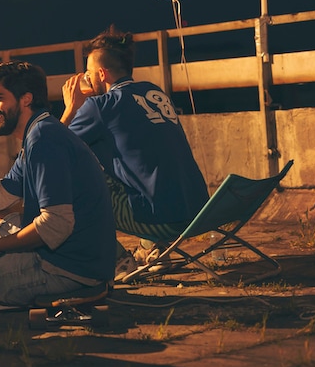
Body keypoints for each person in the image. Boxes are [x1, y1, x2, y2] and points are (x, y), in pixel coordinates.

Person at [0, 62, 115, 305]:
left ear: (26, 99)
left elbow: (56, 225)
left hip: (66, 271)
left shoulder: (43, 139)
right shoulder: (38, 133)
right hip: (77, 263)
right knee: (2, 221)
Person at [60, 26, 209, 261]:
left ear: (101, 75)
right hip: (198, 210)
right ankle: (152, 248)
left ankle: (118, 261)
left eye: (88, 74)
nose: (86, 79)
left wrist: (70, 109)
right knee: (132, 174)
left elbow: (51, 150)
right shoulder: (153, 92)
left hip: (162, 220)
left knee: (70, 182)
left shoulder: (100, 106)